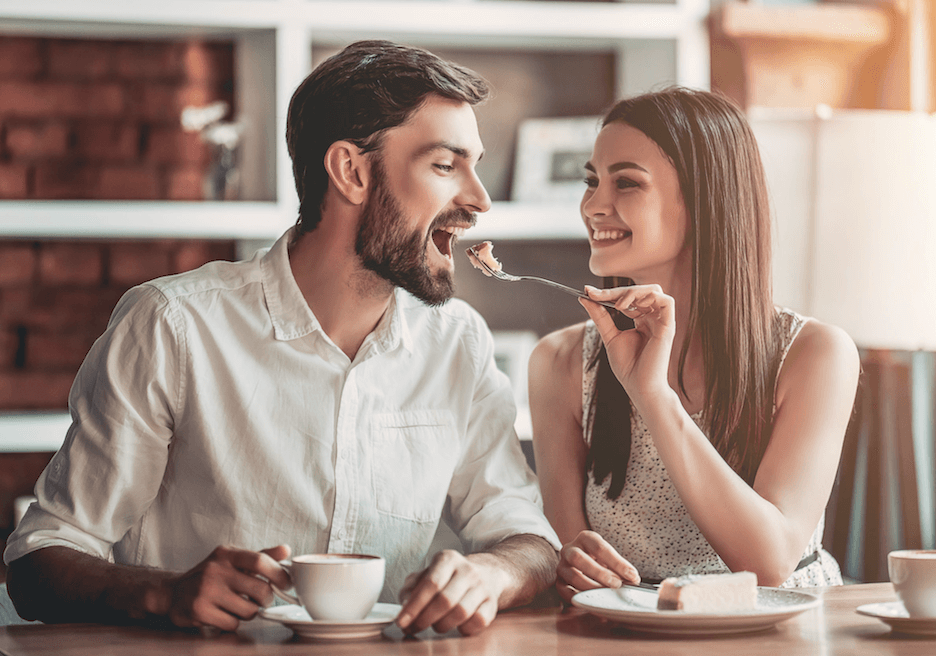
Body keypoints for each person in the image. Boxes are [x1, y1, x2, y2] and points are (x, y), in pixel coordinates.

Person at [4, 40, 559, 635]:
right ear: (351, 171)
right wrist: (166, 594)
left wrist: (491, 575)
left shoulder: (458, 343)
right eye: (446, 166)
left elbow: (526, 536)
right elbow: (38, 562)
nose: (479, 200)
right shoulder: (173, 325)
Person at [528, 87, 860, 602]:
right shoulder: (561, 362)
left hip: (777, 632)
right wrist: (568, 564)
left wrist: (653, 395)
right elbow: (576, 565)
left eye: (627, 183)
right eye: (591, 181)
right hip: (626, 631)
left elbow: (769, 562)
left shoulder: (814, 354)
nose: (594, 205)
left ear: (706, 200)